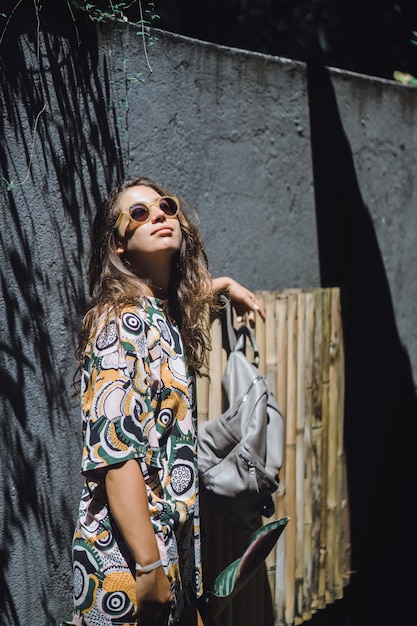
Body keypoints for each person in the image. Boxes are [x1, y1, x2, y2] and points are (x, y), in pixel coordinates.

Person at [62, 176, 265, 626]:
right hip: (127, 559)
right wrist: (150, 566)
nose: (157, 215)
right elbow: (116, 455)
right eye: (138, 213)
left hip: (166, 548)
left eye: (165, 207)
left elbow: (185, 300)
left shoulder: (158, 316)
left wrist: (224, 285)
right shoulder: (118, 324)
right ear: (119, 246)